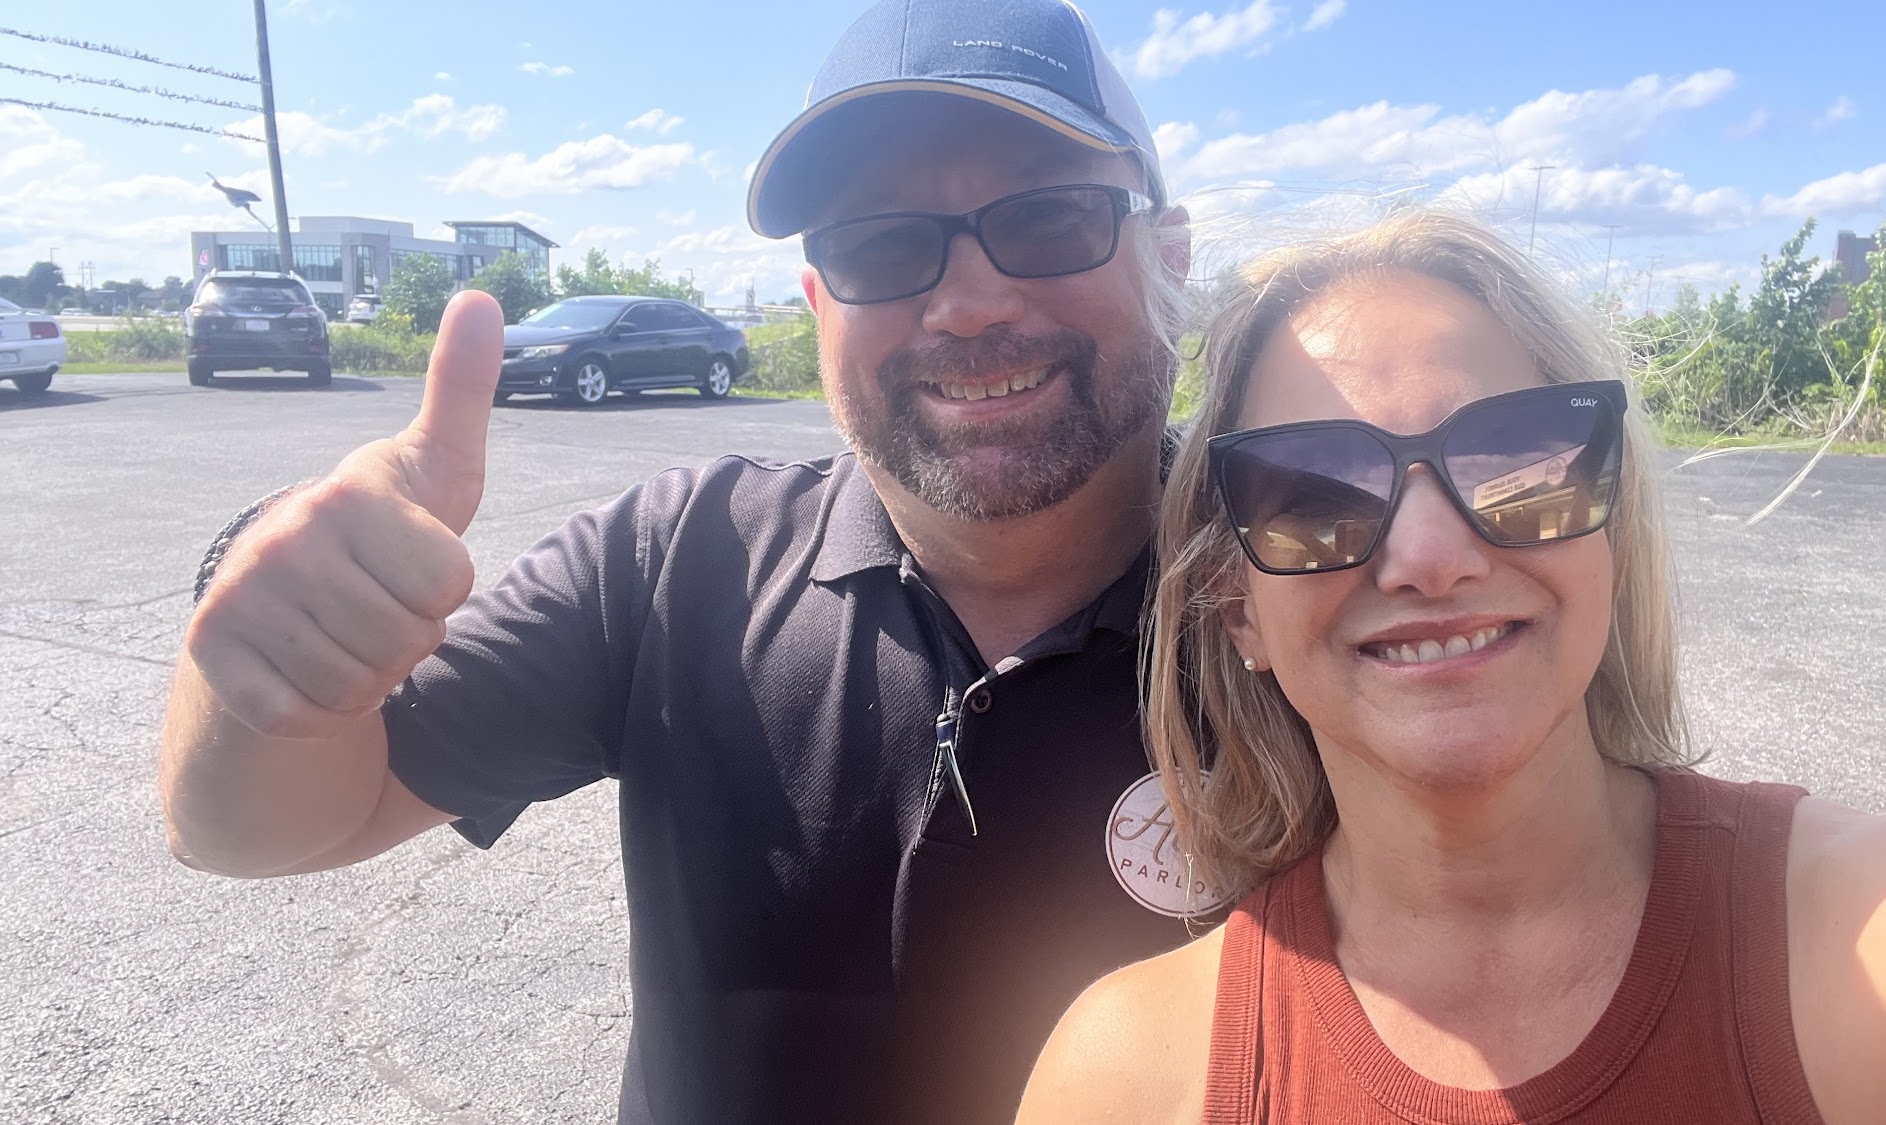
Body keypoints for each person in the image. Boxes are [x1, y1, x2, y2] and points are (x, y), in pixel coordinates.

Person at [157, 2, 1208, 1122]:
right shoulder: (673, 564)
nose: (967, 303)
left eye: (1047, 217)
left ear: (1171, 259)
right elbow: (247, 829)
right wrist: (275, 651)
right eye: (877, 244)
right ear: (818, 304)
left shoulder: (1303, 587)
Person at [1015, 211, 1886, 1124]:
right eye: (1316, 493)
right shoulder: (1131, 1077)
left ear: (1611, 535)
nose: (1430, 556)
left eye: (1519, 462)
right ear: (1239, 609)